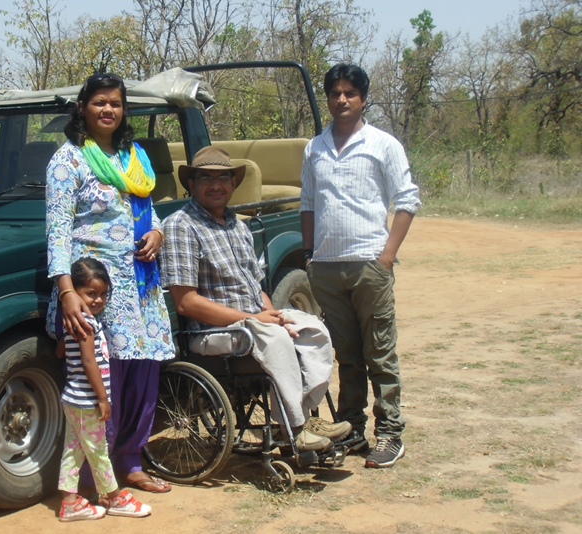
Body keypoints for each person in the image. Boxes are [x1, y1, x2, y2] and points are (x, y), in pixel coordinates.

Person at [161, 146, 351, 454]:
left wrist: (274, 314)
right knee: (275, 338)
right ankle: (294, 428)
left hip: (253, 323)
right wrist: (252, 320)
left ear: (233, 184)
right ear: (191, 185)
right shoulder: (181, 227)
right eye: (205, 178)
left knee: (312, 327)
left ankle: (303, 418)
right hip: (208, 332)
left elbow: (255, 287)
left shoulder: (238, 225)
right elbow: (187, 303)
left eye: (223, 178)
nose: (216, 185)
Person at [46, 72, 174, 494]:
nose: (108, 110)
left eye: (115, 103)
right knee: (105, 374)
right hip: (97, 287)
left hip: (141, 281)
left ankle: (132, 461)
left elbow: (146, 207)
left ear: (124, 110)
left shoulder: (132, 156)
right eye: (99, 102)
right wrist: (66, 291)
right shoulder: (68, 161)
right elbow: (58, 231)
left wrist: (156, 231)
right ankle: (94, 475)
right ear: (83, 107)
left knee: (143, 371)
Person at [300, 63, 421, 469]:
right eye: (335, 93)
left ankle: (389, 434)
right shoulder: (314, 147)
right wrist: (309, 255)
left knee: (379, 353)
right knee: (347, 355)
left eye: (350, 92)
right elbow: (308, 204)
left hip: (370, 263)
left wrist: (386, 256)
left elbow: (407, 200)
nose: (341, 99)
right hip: (328, 268)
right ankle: (351, 428)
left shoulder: (382, 144)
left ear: (363, 98)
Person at [58, 258, 151, 521]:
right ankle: (113, 497)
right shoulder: (85, 325)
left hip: (72, 399)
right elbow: (89, 362)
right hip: (86, 400)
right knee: (98, 450)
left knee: (73, 450)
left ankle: (70, 503)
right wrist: (103, 398)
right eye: (91, 293)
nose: (98, 300)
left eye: (102, 294)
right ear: (73, 292)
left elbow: (60, 351)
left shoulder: (76, 323)